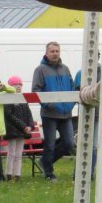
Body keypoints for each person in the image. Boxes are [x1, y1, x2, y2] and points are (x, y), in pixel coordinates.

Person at [33, 42, 76, 181]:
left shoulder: (66, 69)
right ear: (46, 53)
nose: (55, 53)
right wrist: (49, 104)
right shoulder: (40, 70)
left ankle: (45, 161)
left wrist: (71, 103)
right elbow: (36, 91)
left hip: (66, 113)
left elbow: (73, 89)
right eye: (52, 51)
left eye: (57, 51)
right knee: (50, 144)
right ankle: (49, 173)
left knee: (69, 143)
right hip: (49, 114)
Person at [3, 76, 35, 182]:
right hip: (12, 130)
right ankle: (8, 173)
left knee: (19, 153)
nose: (18, 87)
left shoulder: (23, 99)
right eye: (15, 85)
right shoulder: (8, 100)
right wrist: (23, 126)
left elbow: (28, 114)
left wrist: (30, 125)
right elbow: (9, 115)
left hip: (22, 131)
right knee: (11, 152)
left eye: (20, 85)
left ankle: (17, 174)